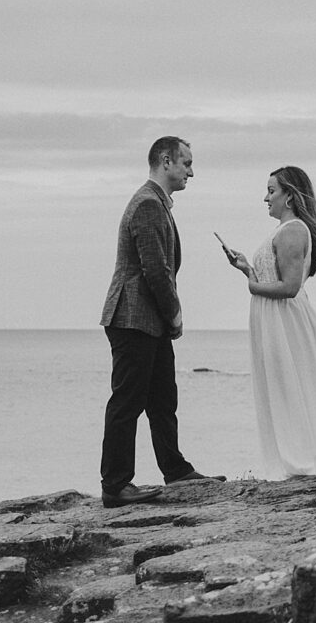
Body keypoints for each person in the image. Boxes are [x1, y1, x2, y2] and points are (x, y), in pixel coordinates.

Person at [99, 137, 224, 508]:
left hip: (145, 320)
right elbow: (156, 270)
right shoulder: (148, 204)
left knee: (162, 398)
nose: (191, 171)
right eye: (185, 163)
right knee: (127, 401)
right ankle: (116, 485)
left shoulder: (156, 203)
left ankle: (175, 469)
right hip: (133, 317)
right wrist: (174, 314)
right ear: (165, 161)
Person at [224, 166, 316, 482]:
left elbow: (289, 288)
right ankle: (291, 463)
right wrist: (247, 269)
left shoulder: (292, 231)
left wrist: (252, 286)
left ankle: (299, 465)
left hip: (284, 322)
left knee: (289, 389)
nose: (266, 198)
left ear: (289, 196)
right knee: (280, 389)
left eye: (271, 191)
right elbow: (276, 279)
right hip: (274, 320)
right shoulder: (284, 230)